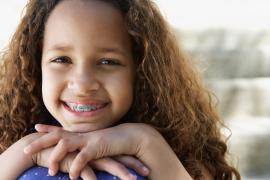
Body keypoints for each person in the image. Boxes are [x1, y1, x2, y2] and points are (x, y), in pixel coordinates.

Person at [0, 0, 241, 179]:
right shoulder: (12, 142)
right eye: (62, 59)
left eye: (108, 62)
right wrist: (27, 151)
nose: (83, 84)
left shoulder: (180, 155)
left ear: (141, 71)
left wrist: (145, 142)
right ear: (35, 66)